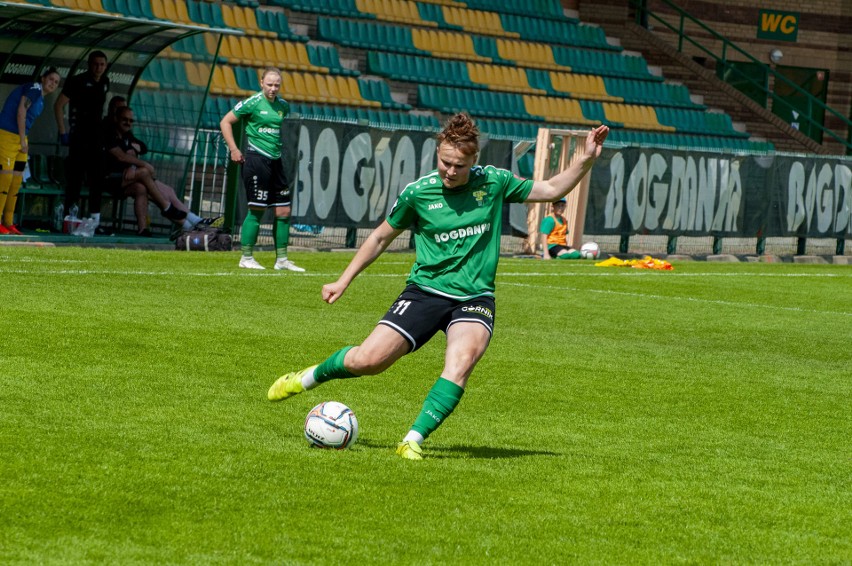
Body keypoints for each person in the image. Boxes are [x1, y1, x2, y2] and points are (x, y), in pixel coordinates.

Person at [267, 114, 609, 460]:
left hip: (474, 297)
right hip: (425, 292)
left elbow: (551, 189)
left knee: (461, 362)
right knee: (368, 361)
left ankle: (412, 439)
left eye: (459, 165)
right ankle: (308, 378)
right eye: (445, 162)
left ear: (474, 161)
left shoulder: (494, 182)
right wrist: (344, 279)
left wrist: (587, 157)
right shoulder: (418, 192)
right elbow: (381, 237)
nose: (450, 170)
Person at [219, 67, 303, 272]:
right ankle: (246, 256)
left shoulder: (283, 106)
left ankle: (281, 260)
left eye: (277, 85)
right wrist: (234, 149)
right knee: (256, 209)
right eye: (269, 84)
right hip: (257, 160)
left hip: (276, 161)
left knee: (283, 211)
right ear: (261, 83)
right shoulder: (253, 102)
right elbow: (226, 121)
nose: (273, 88)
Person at [103, 106, 210, 236]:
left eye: (131, 121)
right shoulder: (108, 133)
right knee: (144, 172)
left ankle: (146, 229)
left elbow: (142, 147)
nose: (128, 123)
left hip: (129, 178)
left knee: (146, 189)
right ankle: (169, 209)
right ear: (116, 118)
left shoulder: (127, 135)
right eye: (124, 119)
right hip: (110, 179)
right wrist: (144, 164)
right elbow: (121, 156)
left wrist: (132, 161)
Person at [0, 67, 62, 235]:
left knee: (16, 181)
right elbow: (21, 111)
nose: (53, 84)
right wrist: (21, 139)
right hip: (8, 135)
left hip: (21, 139)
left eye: (56, 82)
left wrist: (23, 139)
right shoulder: (34, 88)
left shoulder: (41, 101)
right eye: (50, 79)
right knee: (4, 179)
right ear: (43, 78)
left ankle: (8, 222)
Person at [54, 50, 109, 224]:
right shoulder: (77, 81)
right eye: (95, 63)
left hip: (96, 138)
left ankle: (95, 221)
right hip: (79, 137)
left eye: (102, 64)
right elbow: (58, 106)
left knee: (97, 179)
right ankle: (69, 220)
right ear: (89, 64)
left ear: (106, 66)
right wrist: (63, 132)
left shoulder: (105, 82)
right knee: (75, 179)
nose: (98, 67)